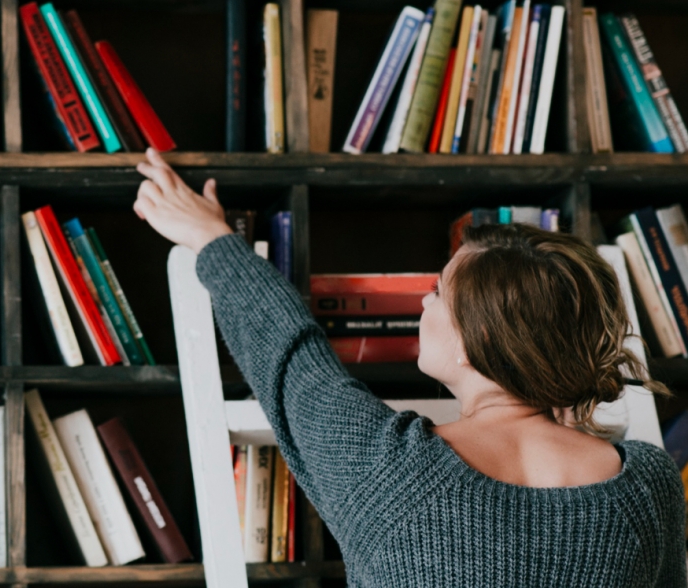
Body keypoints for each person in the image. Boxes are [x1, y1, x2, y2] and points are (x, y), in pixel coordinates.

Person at [133, 148, 687, 587]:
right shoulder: (648, 485)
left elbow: (291, 358)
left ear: (479, 338)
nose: (424, 304)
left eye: (437, 293)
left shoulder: (388, 470)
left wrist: (212, 237)